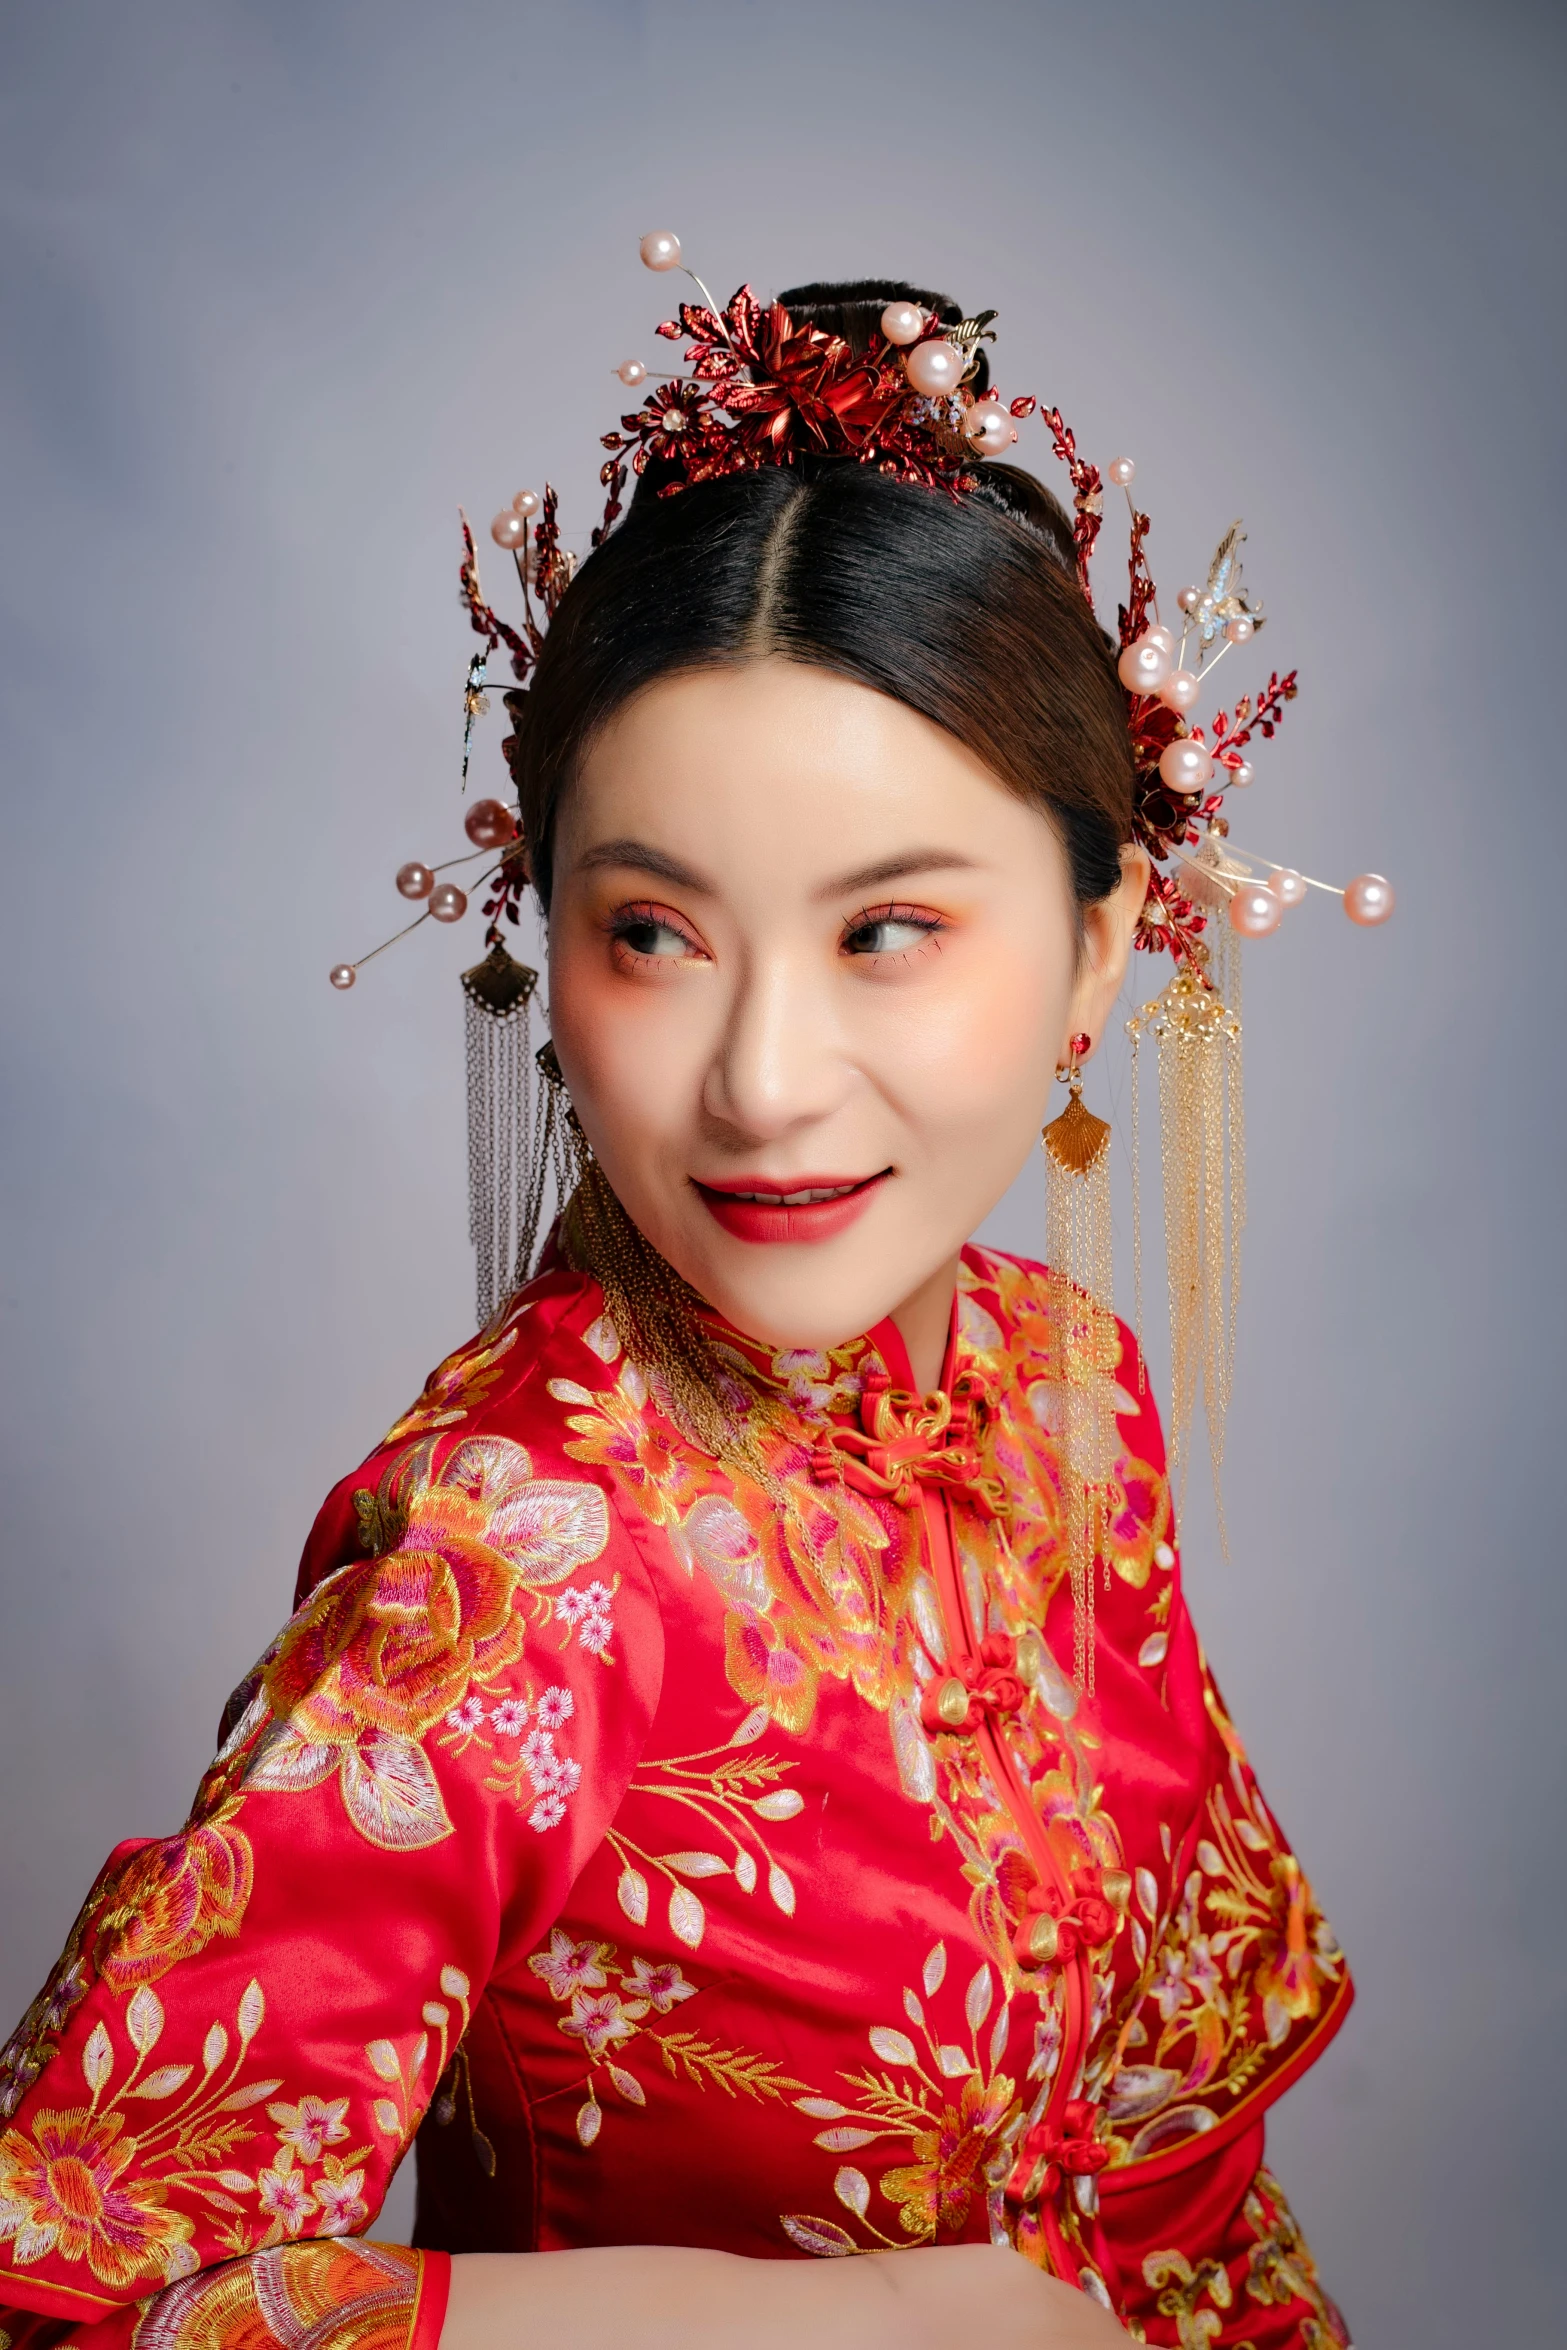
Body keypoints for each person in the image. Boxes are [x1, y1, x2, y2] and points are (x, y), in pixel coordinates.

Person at [0, 272, 1359, 2350]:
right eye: (654, 931)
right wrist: (873, 2324)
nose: (760, 1077)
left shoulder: (1058, 1369)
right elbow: (67, 2291)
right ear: (547, 946)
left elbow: (1180, 2174)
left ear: (1099, 951)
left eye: (889, 927)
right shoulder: (523, 1553)